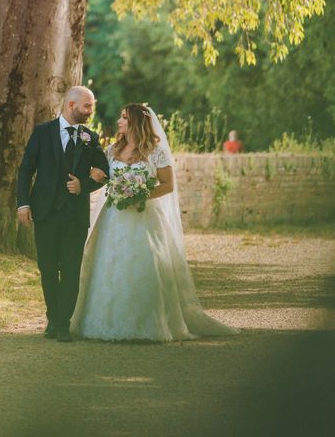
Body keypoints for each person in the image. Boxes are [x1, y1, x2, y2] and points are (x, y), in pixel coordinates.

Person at [70, 103, 239, 341]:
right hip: (114, 218)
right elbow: (101, 177)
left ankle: (146, 322)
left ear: (136, 122)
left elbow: (168, 185)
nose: (119, 121)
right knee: (109, 264)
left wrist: (139, 195)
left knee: (143, 264)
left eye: (125, 118)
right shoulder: (112, 150)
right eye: (120, 117)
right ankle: (104, 321)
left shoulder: (155, 150)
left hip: (143, 216)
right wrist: (97, 181)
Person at [16, 86, 110, 342]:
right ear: (71, 105)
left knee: (70, 269)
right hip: (45, 213)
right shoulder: (42, 133)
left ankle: (62, 324)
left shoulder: (91, 137)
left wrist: (84, 185)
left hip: (75, 217)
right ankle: (53, 317)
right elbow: (26, 170)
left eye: (91, 106)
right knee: (47, 268)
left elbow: (104, 171)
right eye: (87, 106)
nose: (90, 111)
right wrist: (23, 204)